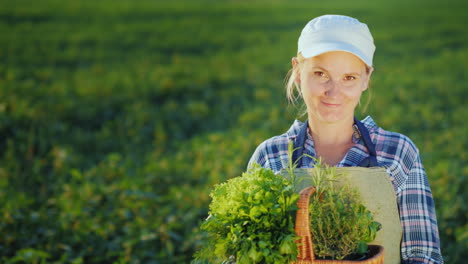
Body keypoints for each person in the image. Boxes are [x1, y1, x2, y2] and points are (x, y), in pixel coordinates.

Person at [248, 15, 443, 263]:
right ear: (298, 71)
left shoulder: (397, 153)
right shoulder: (271, 156)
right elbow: (239, 254)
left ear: (366, 78)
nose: (334, 92)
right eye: (320, 74)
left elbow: (423, 255)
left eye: (348, 78)